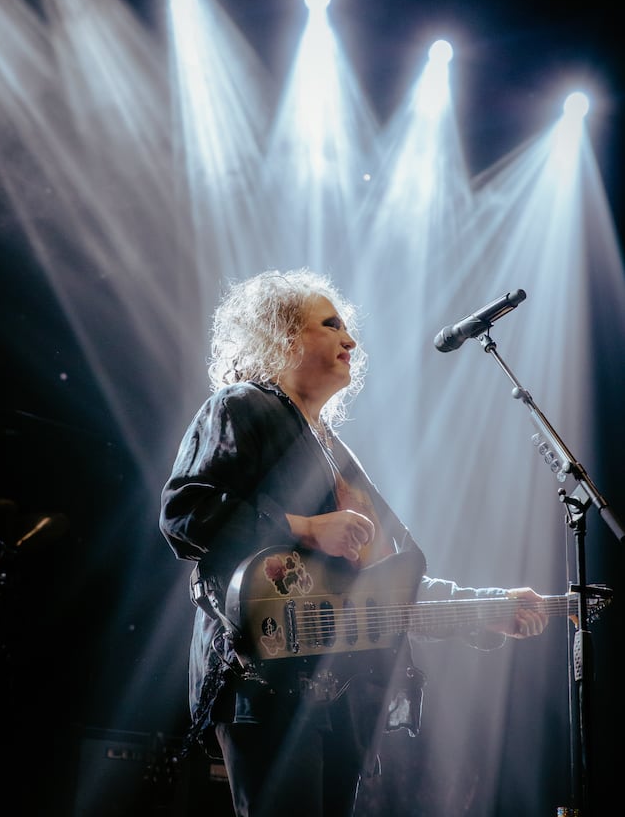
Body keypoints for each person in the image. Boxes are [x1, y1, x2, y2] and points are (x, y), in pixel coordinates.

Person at [159, 268, 548, 817]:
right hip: (263, 676)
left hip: (339, 692)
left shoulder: (336, 451)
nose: (351, 340)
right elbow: (185, 513)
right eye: (331, 324)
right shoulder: (239, 405)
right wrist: (303, 527)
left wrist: (483, 609)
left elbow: (384, 579)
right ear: (284, 337)